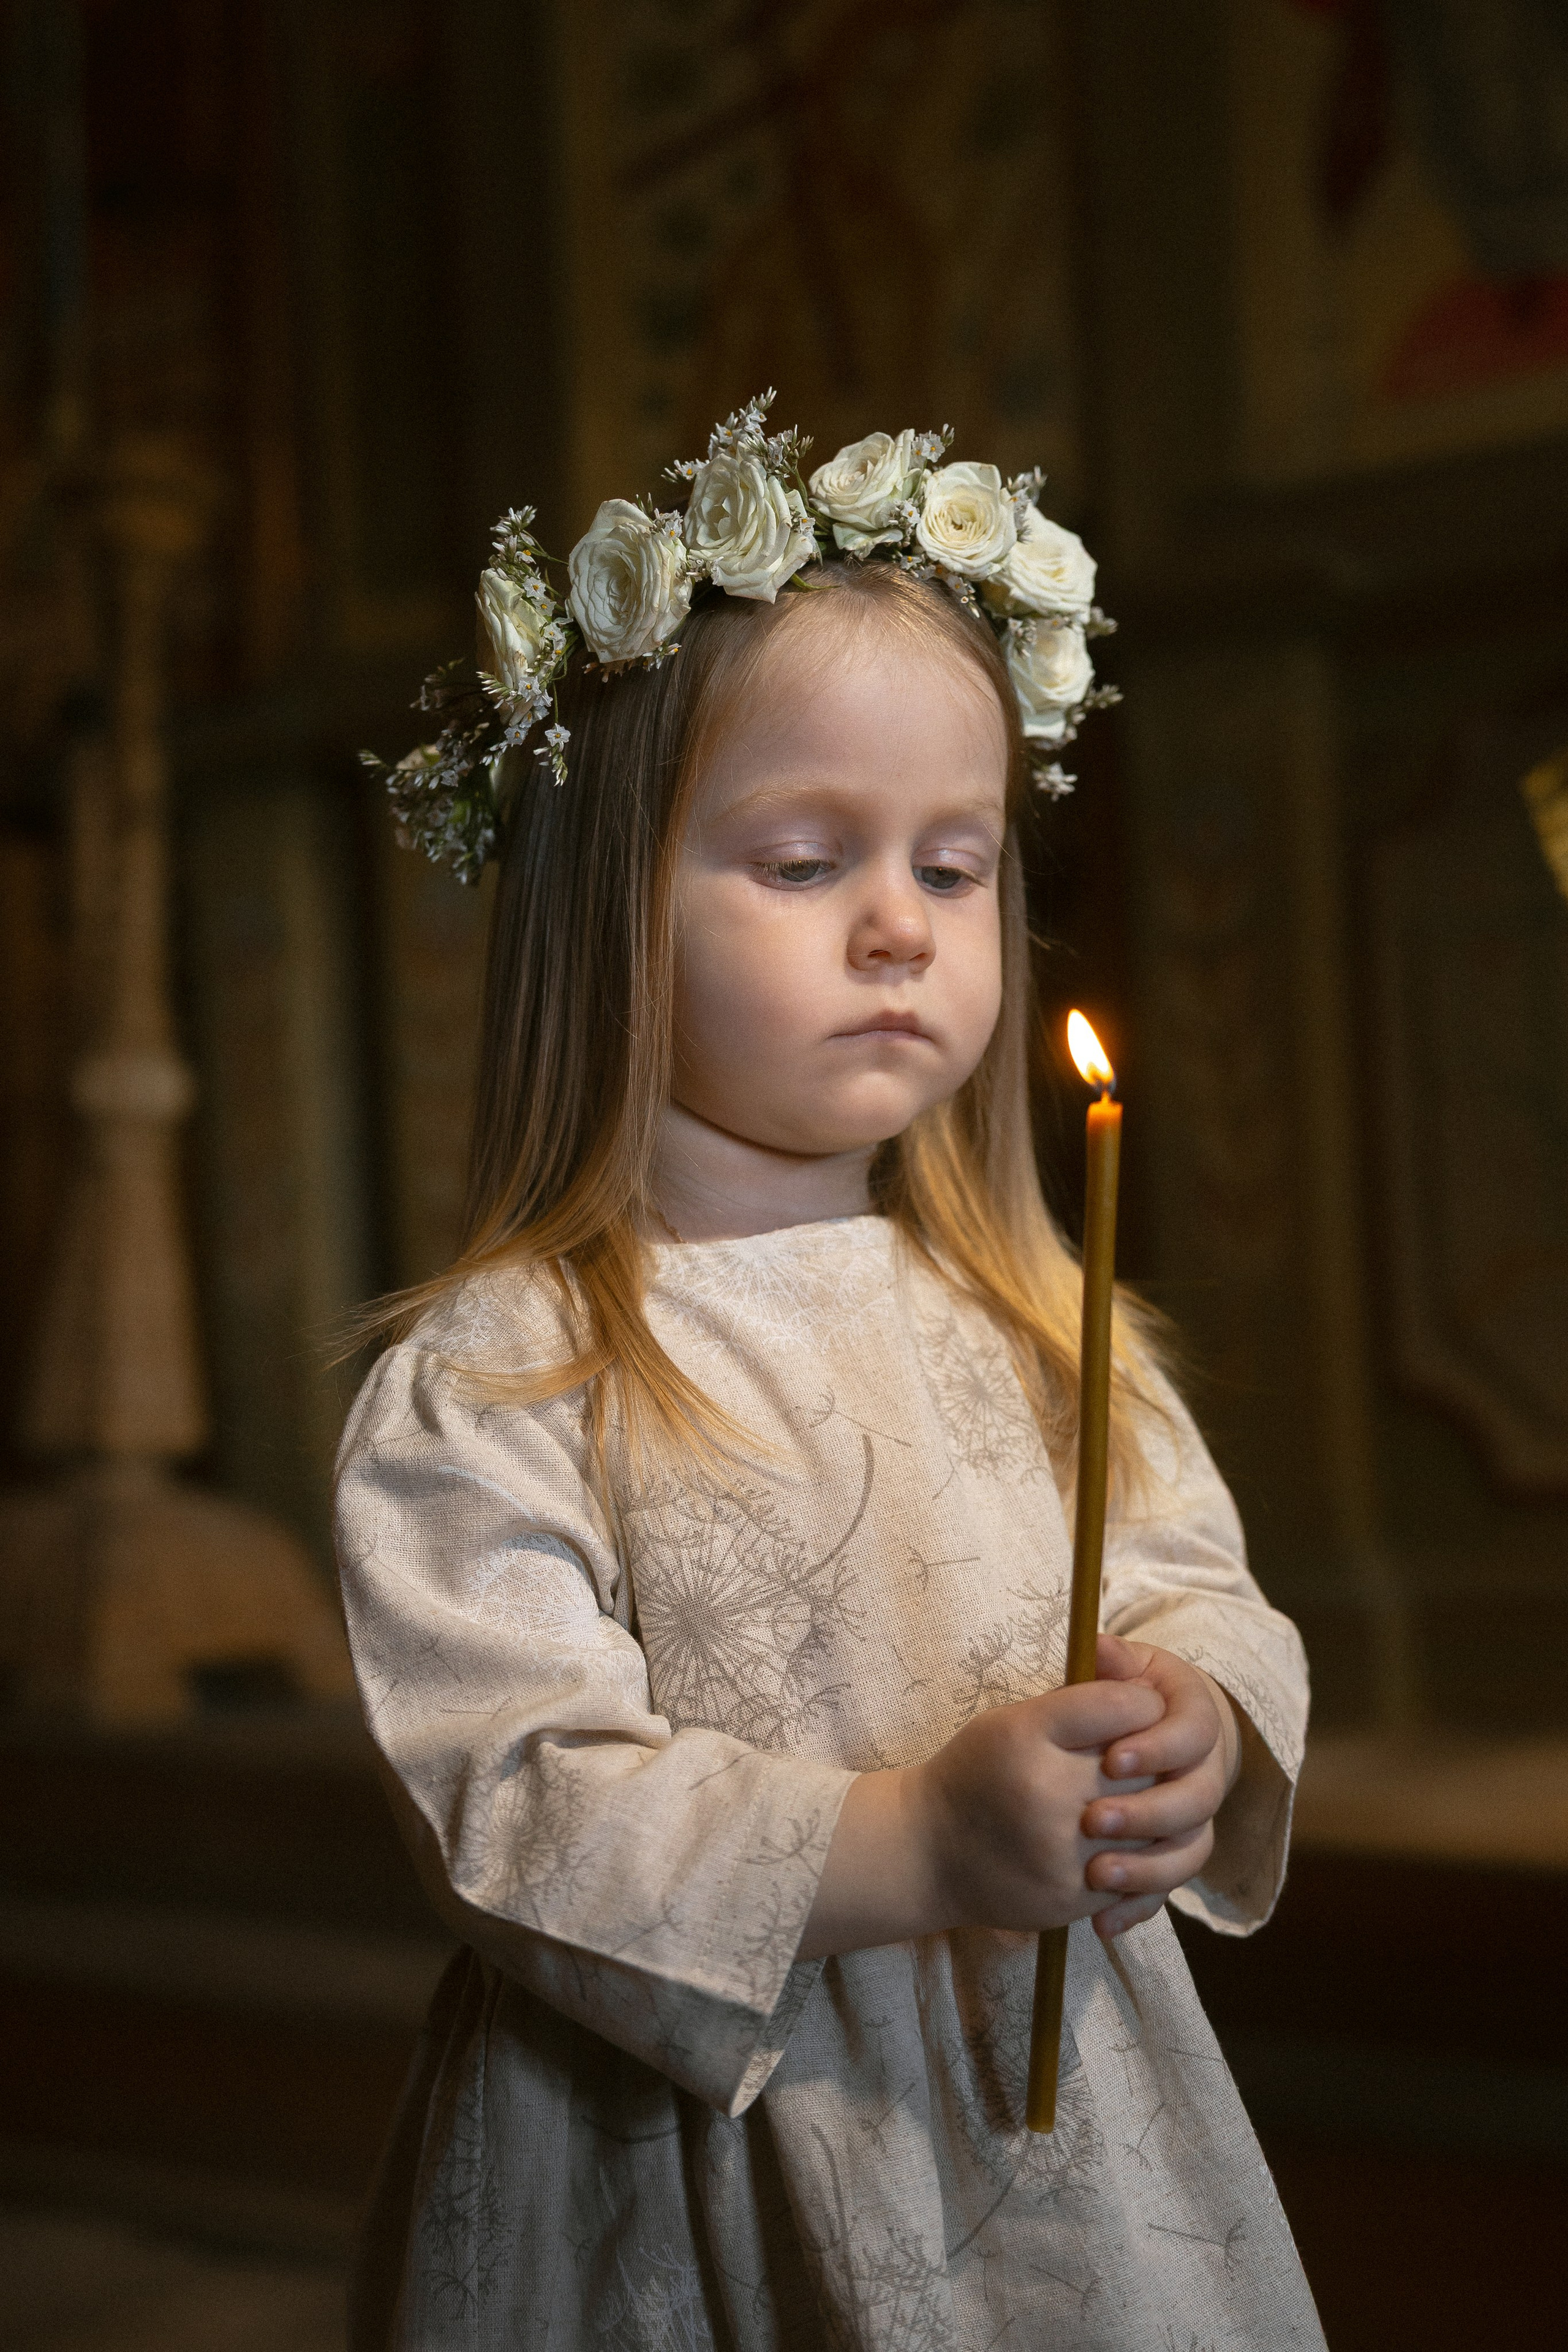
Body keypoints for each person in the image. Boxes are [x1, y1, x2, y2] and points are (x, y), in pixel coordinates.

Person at [336, 401, 1325, 2350]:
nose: (901, 923)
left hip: (1060, 2131)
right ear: (604, 907)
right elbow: (516, 1798)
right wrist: (913, 1846)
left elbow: (1193, 1580)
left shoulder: (1047, 1322)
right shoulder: (505, 1374)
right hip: (687, 2146)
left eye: (956, 869)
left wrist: (1198, 1715)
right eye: (804, 860)